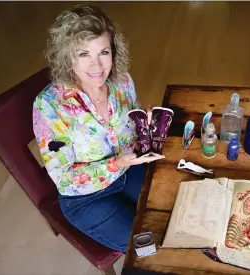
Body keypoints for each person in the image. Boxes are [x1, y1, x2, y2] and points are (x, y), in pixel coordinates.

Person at [32, 4, 163, 253]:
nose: (97, 65)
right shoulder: (49, 106)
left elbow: (132, 134)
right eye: (84, 54)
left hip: (128, 172)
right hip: (86, 198)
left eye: (103, 52)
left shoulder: (122, 81)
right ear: (67, 57)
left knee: (170, 218)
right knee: (149, 248)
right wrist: (117, 163)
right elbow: (64, 179)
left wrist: (145, 127)